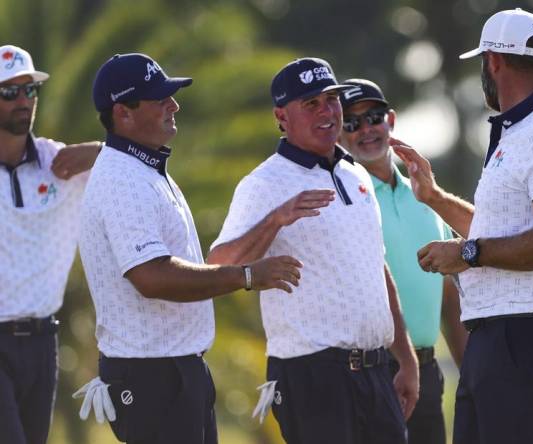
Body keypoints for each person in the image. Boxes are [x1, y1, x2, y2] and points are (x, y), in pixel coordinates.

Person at [76, 53, 302, 444]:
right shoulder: (122, 180)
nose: (174, 105)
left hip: (173, 372)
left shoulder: (143, 170)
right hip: (151, 378)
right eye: (159, 98)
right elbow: (151, 277)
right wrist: (246, 276)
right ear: (123, 113)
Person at [392, 8, 533, 444]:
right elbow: (501, 228)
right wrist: (435, 198)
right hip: (496, 339)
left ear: (494, 62)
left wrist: (465, 253)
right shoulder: (519, 132)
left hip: (523, 337)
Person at [207, 57, 418, 444]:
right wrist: (276, 219)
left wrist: (405, 357)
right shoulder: (263, 183)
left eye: (331, 100)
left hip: (375, 370)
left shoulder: (356, 174)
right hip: (311, 374)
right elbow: (219, 264)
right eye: (310, 104)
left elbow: (377, 267)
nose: (327, 112)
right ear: (281, 117)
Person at [337, 78, 468, 444]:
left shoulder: (423, 193)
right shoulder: (343, 196)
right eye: (352, 123)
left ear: (390, 120)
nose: (365, 130)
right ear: (338, 134)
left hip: (427, 373)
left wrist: (472, 377)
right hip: (372, 372)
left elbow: (447, 296)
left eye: (373, 117)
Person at [0, 44, 100, 444]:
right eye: (10, 92)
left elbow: (143, 164)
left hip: (43, 345)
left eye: (30, 90)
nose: (23, 101)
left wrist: (99, 150)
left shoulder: (59, 162)